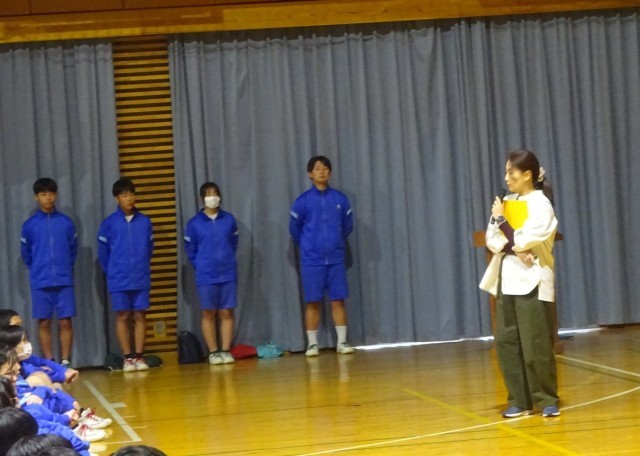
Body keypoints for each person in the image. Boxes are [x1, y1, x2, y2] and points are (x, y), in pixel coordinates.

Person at [479, 149, 560, 418]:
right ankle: (518, 399)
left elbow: (528, 238)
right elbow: (493, 239)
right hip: (508, 278)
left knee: (535, 342)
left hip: (533, 278)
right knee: (507, 342)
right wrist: (514, 245)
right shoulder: (506, 202)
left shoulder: (541, 204)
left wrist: (505, 225)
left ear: (526, 174)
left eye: (510, 172)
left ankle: (546, 398)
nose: (506, 178)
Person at [289, 156, 355, 357]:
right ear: (310, 174)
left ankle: (342, 342)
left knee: (338, 301)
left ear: (330, 173)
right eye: (317, 168)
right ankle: (312, 344)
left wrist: (335, 242)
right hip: (312, 260)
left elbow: (347, 226)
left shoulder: (340, 199)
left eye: (325, 168)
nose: (322, 171)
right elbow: (294, 230)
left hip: (335, 259)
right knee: (313, 302)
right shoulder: (302, 201)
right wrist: (309, 245)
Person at [98, 178, 154, 372]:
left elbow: (149, 249)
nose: (129, 198)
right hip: (118, 278)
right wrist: (113, 271)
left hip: (140, 277)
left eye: (131, 194)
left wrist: (141, 266)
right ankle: (127, 358)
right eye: (124, 195)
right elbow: (103, 254)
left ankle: (139, 356)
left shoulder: (145, 222)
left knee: (140, 315)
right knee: (122, 316)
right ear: (117, 198)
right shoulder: (109, 224)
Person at [20, 178, 78, 365]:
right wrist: (38, 269)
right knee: (44, 321)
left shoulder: (66, 222)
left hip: (64, 279)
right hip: (40, 280)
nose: (48, 198)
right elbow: (26, 254)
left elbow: (73, 249)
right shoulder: (29, 225)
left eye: (51, 193)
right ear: (36, 197)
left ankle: (66, 361)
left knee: (65, 321)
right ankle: (49, 362)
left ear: (56, 195)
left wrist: (64, 267)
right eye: (43, 194)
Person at [184, 182, 239, 365]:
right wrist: (201, 264)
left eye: (215, 193)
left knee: (226, 312)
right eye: (208, 194)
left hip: (228, 273)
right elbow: (190, 250)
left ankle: (226, 350)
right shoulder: (194, 223)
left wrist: (227, 259)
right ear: (202, 198)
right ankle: (213, 352)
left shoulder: (229, 220)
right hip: (206, 275)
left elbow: (234, 243)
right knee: (208, 313)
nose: (212, 197)